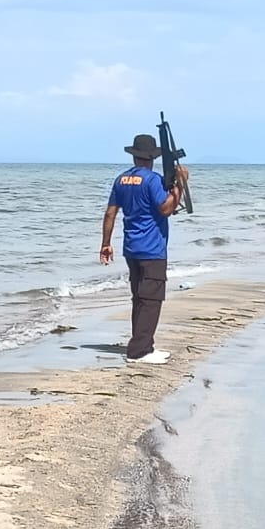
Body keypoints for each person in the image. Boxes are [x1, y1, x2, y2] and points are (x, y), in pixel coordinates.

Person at [100, 133, 189, 365]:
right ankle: (139, 351)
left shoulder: (121, 180)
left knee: (140, 298)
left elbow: (110, 212)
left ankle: (144, 344)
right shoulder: (152, 180)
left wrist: (106, 243)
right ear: (151, 158)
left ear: (134, 157)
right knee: (151, 300)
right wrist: (180, 184)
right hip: (152, 249)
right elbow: (166, 208)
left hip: (131, 248)